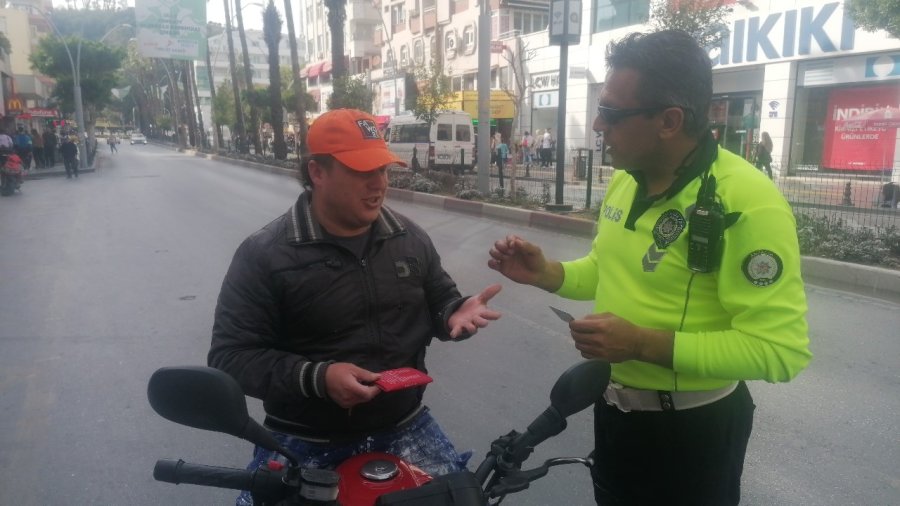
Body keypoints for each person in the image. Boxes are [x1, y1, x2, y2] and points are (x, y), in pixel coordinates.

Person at [487, 30, 811, 506]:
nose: (598, 124)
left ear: (669, 121)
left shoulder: (748, 201)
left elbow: (780, 351)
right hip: (615, 413)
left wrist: (641, 343)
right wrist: (548, 273)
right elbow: (608, 269)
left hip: (694, 432)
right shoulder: (626, 180)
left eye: (612, 113)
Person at [207, 108, 503, 506]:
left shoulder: (409, 238)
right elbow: (230, 357)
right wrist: (319, 378)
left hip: (405, 426)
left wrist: (454, 312)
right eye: (362, 171)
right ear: (317, 172)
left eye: (382, 169)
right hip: (303, 439)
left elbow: (440, 299)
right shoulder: (264, 254)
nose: (378, 183)